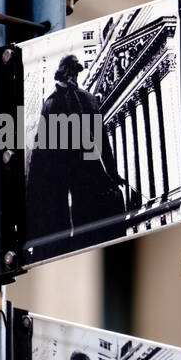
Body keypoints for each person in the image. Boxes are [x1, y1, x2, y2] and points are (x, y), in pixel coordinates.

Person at [26, 54, 129, 242]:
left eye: (76, 73)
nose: (74, 77)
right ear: (63, 73)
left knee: (95, 215)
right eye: (71, 72)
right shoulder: (51, 103)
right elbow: (42, 148)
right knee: (78, 219)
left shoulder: (87, 99)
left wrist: (112, 173)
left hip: (88, 167)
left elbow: (102, 140)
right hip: (66, 173)